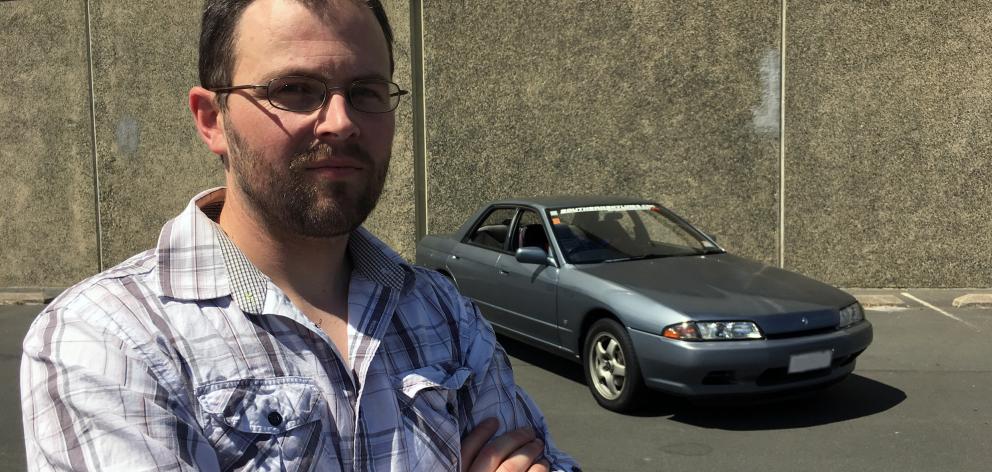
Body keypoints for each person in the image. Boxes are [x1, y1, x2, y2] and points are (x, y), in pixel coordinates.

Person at [19, 0, 581, 470]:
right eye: (294, 89)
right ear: (212, 119)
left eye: (365, 90)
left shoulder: (443, 311)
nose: (341, 121)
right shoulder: (109, 340)